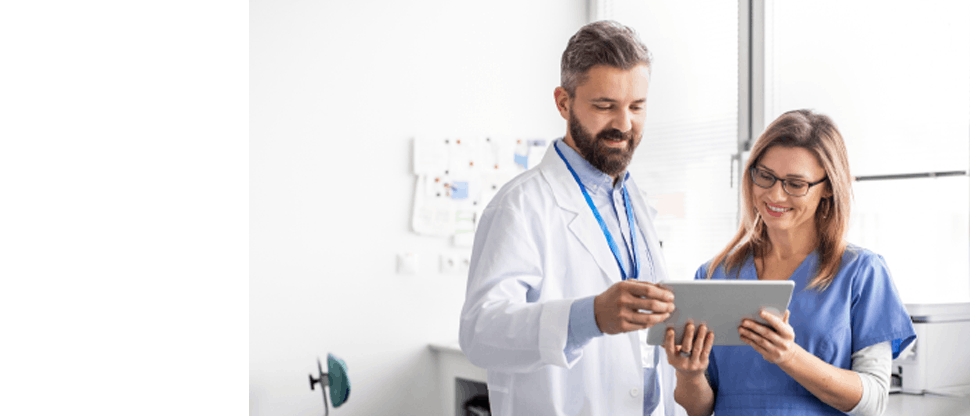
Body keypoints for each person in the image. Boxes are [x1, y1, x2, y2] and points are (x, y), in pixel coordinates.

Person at [459, 20, 684, 416]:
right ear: (564, 103)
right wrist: (591, 317)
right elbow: (481, 332)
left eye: (636, 107)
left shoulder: (635, 201)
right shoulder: (520, 205)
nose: (624, 124)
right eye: (605, 106)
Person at [663, 109, 917, 416]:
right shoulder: (715, 274)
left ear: (827, 190)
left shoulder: (861, 272)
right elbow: (700, 408)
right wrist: (688, 373)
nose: (775, 194)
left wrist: (789, 356)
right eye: (765, 176)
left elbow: (873, 401)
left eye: (795, 184)